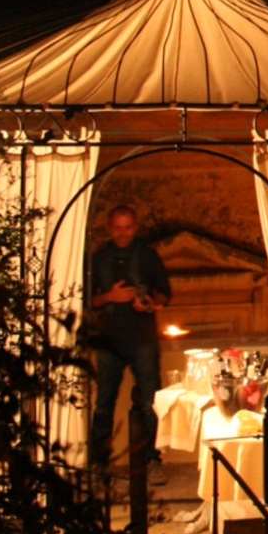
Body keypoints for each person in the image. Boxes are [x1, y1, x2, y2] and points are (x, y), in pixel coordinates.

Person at [87, 205, 173, 483]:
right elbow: (86, 299)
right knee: (104, 403)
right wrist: (110, 297)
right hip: (108, 338)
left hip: (142, 338)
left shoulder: (147, 255)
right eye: (118, 227)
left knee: (151, 402)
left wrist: (148, 302)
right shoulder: (99, 258)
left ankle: (153, 460)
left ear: (135, 227)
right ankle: (99, 464)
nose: (123, 233)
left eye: (128, 227)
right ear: (110, 228)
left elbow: (164, 294)